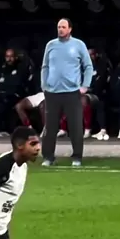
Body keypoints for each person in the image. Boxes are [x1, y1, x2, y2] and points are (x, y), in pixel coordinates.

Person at [41, 18, 93, 168]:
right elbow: (45, 67)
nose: (60, 29)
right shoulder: (50, 45)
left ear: (70, 29)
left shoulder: (78, 44)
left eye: (63, 27)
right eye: (59, 27)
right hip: (52, 93)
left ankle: (77, 157)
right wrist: (44, 85)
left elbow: (88, 66)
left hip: (72, 93)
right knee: (50, 127)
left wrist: (85, 86)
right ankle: (48, 157)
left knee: (75, 127)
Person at [0, 48, 30, 137]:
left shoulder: (21, 67)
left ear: (16, 57)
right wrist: (3, 85)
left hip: (15, 95)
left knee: (3, 104)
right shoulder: (2, 68)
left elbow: (16, 83)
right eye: (7, 57)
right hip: (1, 94)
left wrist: (5, 83)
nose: (9, 59)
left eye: (11, 57)